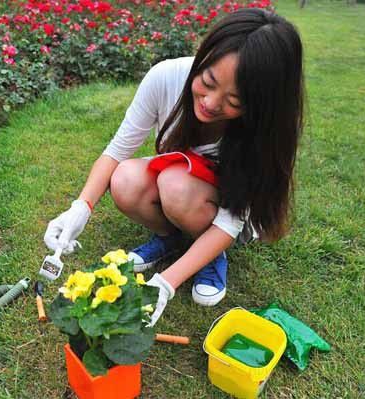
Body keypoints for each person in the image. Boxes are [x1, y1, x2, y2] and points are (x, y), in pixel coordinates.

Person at [44, 8, 304, 326]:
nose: (210, 103)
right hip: (180, 180)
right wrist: (80, 208)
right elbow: (116, 152)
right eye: (207, 81)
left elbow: (230, 219)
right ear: (202, 57)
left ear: (260, 105)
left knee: (175, 186)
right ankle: (171, 239)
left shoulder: (264, 130)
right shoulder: (166, 76)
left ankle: (208, 253)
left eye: (234, 101)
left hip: (220, 209)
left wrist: (165, 284)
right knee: (124, 178)